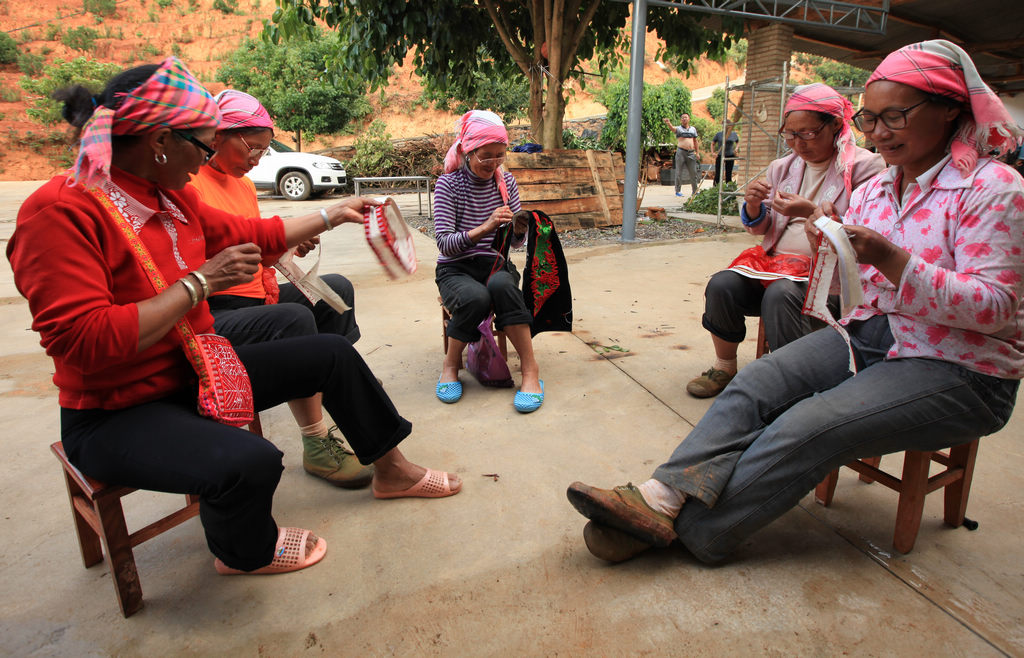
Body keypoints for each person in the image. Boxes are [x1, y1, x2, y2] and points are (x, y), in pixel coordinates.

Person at [566, 40, 1024, 565]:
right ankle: (659, 499)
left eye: (894, 115)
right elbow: (857, 285)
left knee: (810, 424)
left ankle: (692, 531)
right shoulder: (875, 189)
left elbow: (996, 309)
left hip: (962, 366)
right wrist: (832, 248)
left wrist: (887, 258)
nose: (877, 131)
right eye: (871, 118)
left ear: (949, 110)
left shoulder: (992, 188)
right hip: (876, 335)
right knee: (756, 381)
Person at [7, 58, 462, 577]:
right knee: (252, 461)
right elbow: (83, 342)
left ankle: (393, 471)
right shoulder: (58, 213)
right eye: (202, 147)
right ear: (159, 139)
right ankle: (244, 552)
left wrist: (333, 212)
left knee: (330, 353)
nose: (202, 164)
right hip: (115, 411)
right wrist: (201, 283)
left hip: (193, 370)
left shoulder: (167, 196)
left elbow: (251, 234)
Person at [189, 89, 370, 489]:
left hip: (256, 294)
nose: (256, 160)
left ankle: (326, 413)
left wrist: (284, 246)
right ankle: (317, 440)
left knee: (336, 295)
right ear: (217, 136)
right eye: (251, 149)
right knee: (293, 317)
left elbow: (254, 250)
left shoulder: (244, 187)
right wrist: (324, 217)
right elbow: (209, 256)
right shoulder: (190, 185)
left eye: (262, 152)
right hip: (215, 306)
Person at [686, 83, 885, 398]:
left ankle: (790, 383)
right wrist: (753, 206)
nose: (798, 144)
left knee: (782, 295)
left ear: (836, 125)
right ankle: (724, 366)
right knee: (722, 285)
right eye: (790, 135)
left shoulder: (865, 167)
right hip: (777, 265)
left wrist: (810, 212)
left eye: (807, 134)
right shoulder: (783, 167)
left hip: (829, 277)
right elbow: (763, 226)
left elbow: (867, 236)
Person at [433, 110, 544, 413]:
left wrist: (520, 230)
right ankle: (451, 366)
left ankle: (530, 370)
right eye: (485, 156)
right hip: (455, 268)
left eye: (499, 156)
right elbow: (444, 243)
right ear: (468, 150)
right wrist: (485, 227)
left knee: (503, 286)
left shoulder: (506, 182)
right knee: (475, 296)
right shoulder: (448, 185)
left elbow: (514, 244)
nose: (493, 163)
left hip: (495, 263)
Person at [662, 113, 700, 197]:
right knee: (678, 172)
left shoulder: (693, 129)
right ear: (680, 120)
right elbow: (672, 129)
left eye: (686, 117)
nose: (684, 119)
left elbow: (695, 141)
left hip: (691, 153)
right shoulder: (679, 129)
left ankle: (695, 190)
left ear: (689, 119)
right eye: (682, 118)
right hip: (681, 152)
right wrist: (668, 123)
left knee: (693, 172)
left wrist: (697, 152)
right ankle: (678, 191)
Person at [712, 121, 739, 185]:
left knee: (729, 173)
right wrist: (713, 153)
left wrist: (736, 148)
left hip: (730, 155)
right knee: (718, 173)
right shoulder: (719, 134)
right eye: (725, 125)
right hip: (720, 155)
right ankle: (716, 187)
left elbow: (738, 142)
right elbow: (712, 143)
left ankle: (728, 187)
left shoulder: (734, 134)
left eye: (728, 125)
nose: (727, 126)